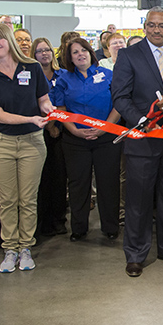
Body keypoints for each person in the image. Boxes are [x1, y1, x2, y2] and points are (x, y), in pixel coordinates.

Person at [111, 6, 163, 278]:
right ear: (145, 26)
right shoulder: (128, 55)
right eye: (152, 25)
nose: (157, 30)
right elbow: (120, 97)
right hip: (143, 141)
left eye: (162, 26)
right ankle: (135, 254)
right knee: (139, 200)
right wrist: (142, 120)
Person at [0, 23, 55, 273]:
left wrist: (50, 111)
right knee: (8, 199)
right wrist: (31, 119)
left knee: (28, 199)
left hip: (32, 143)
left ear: (8, 40)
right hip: (1, 144)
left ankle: (26, 248)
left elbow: (43, 101)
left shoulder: (31, 68)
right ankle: (10, 249)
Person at [54, 38, 122, 241]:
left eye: (83, 50)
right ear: (69, 58)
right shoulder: (64, 79)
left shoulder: (108, 75)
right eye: (75, 52)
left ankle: (110, 227)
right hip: (75, 140)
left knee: (108, 183)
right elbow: (60, 109)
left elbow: (119, 105)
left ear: (91, 53)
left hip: (106, 137)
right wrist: (74, 130)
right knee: (78, 184)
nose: (80, 54)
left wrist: (103, 128)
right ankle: (79, 228)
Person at [31, 37, 67, 238]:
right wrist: (47, 126)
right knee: (41, 179)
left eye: (47, 50)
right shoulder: (31, 75)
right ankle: (42, 222)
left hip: (59, 132)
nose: (44, 54)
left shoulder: (62, 75)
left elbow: (63, 102)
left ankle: (59, 220)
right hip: (37, 131)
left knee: (59, 178)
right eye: (39, 51)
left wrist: (54, 124)